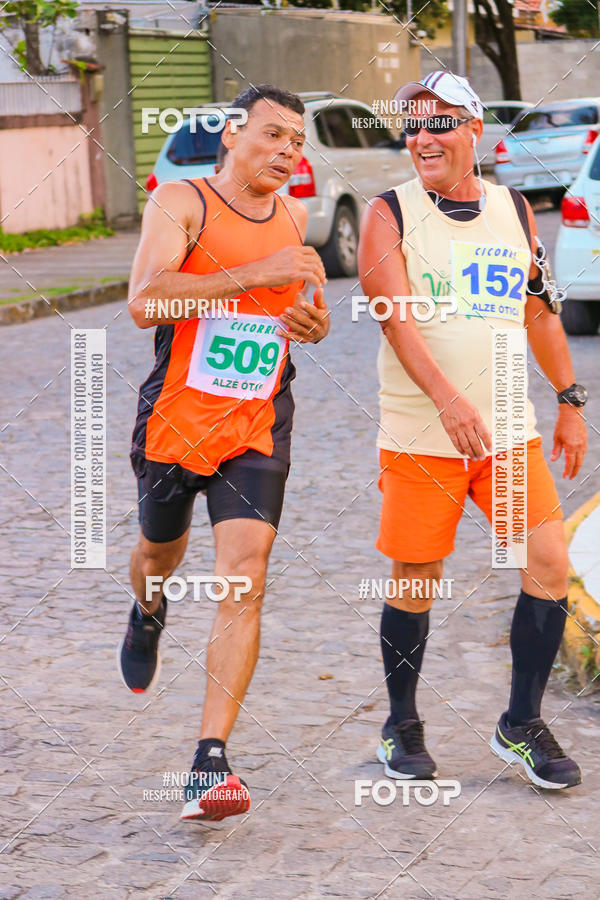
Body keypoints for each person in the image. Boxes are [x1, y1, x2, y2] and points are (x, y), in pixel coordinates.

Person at [358, 72, 588, 790]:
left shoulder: (513, 210)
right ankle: (402, 725)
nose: (421, 137)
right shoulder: (387, 214)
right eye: (413, 126)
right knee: (417, 576)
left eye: (439, 124)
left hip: (508, 435)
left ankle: (520, 722)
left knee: (549, 564)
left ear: (477, 133)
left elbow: (540, 312)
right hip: (422, 434)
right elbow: (394, 317)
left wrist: (571, 398)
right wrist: (448, 399)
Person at [118, 84, 329, 822]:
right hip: (178, 419)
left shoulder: (296, 217)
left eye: (297, 142)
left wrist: (309, 323)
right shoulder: (182, 201)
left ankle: (211, 761)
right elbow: (147, 299)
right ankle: (147, 611)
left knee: (245, 575)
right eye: (273, 135)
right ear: (233, 134)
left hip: (258, 419)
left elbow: (309, 310)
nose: (286, 152)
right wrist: (254, 277)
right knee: (157, 553)